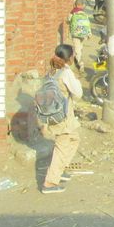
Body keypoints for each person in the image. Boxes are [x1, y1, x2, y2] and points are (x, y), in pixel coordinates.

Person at [41, 44, 82, 193]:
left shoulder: (53, 70)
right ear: (69, 58)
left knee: (74, 139)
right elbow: (78, 93)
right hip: (62, 115)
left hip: (54, 114)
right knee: (62, 146)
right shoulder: (66, 73)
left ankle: (60, 169)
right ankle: (50, 183)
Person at [66, 3, 91, 69]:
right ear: (82, 5)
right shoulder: (84, 13)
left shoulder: (72, 12)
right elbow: (88, 24)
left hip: (75, 33)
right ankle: (78, 58)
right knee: (80, 46)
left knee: (77, 48)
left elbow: (68, 20)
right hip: (83, 33)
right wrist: (89, 33)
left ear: (75, 5)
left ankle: (80, 64)